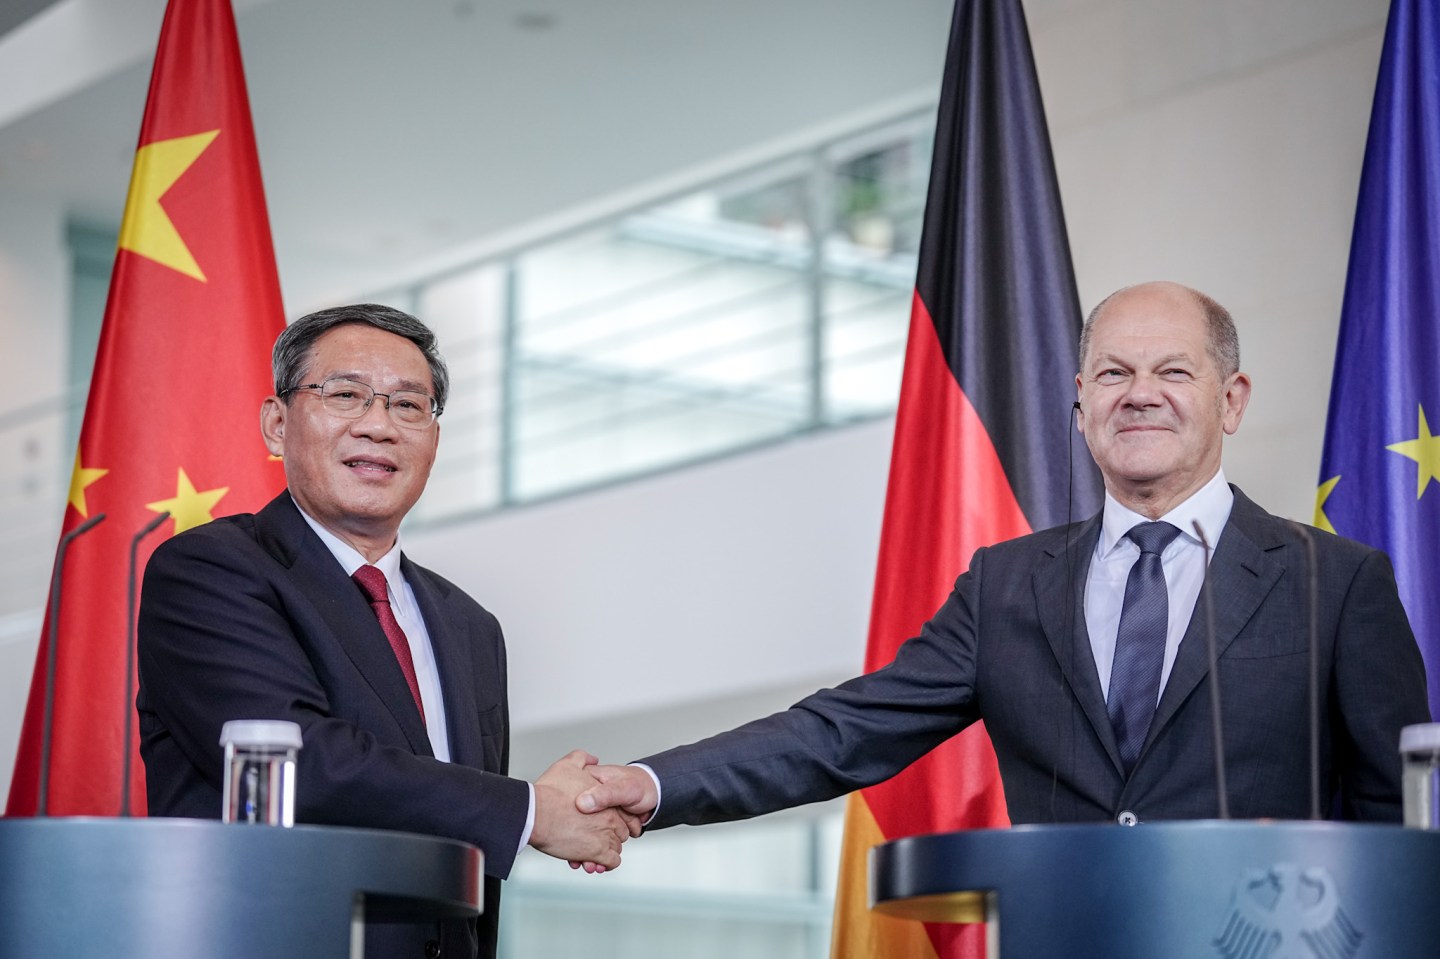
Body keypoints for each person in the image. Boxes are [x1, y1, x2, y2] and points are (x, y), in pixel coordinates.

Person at [572, 280, 1429, 842]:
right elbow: (843, 731)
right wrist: (650, 783)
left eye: (1174, 370)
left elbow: (1404, 814)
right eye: (1112, 372)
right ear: (1082, 402)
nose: (1140, 392)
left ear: (1230, 400)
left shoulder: (1336, 582)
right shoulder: (1007, 585)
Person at [137, 304, 635, 959]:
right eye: (345, 395)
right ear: (278, 423)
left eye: (408, 405)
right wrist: (534, 811)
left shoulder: (470, 626)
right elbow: (305, 763)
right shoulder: (210, 569)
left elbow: (464, 854)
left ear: (433, 437)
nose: (378, 425)